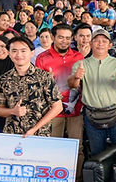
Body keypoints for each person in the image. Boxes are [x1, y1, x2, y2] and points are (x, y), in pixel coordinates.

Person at [0, 36, 63, 182]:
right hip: (14, 136)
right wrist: (12, 112)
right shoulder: (4, 79)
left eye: (23, 50)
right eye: (14, 50)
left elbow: (57, 106)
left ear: (32, 52)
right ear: (9, 53)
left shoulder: (43, 77)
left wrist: (35, 128)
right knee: (20, 178)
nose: (18, 54)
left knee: (39, 177)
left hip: (39, 135)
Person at [69, 30, 116, 157]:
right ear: (91, 43)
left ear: (110, 45)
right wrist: (76, 77)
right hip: (92, 114)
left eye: (104, 41)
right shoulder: (81, 64)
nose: (100, 44)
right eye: (96, 40)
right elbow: (72, 85)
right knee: (97, 153)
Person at [35, 24, 84, 163]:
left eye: (68, 38)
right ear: (53, 37)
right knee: (54, 148)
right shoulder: (42, 58)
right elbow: (38, 87)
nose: (65, 41)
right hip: (53, 111)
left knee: (77, 148)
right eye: (61, 37)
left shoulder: (78, 56)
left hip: (76, 110)